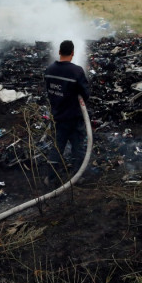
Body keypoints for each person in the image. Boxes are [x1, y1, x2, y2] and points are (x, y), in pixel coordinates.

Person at [44, 40, 90, 182]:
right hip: (74, 116)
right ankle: (77, 176)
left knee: (58, 146)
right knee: (78, 146)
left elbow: (49, 91)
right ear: (72, 53)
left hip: (57, 115)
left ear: (59, 52)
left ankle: (51, 177)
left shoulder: (49, 70)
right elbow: (85, 94)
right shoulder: (76, 71)